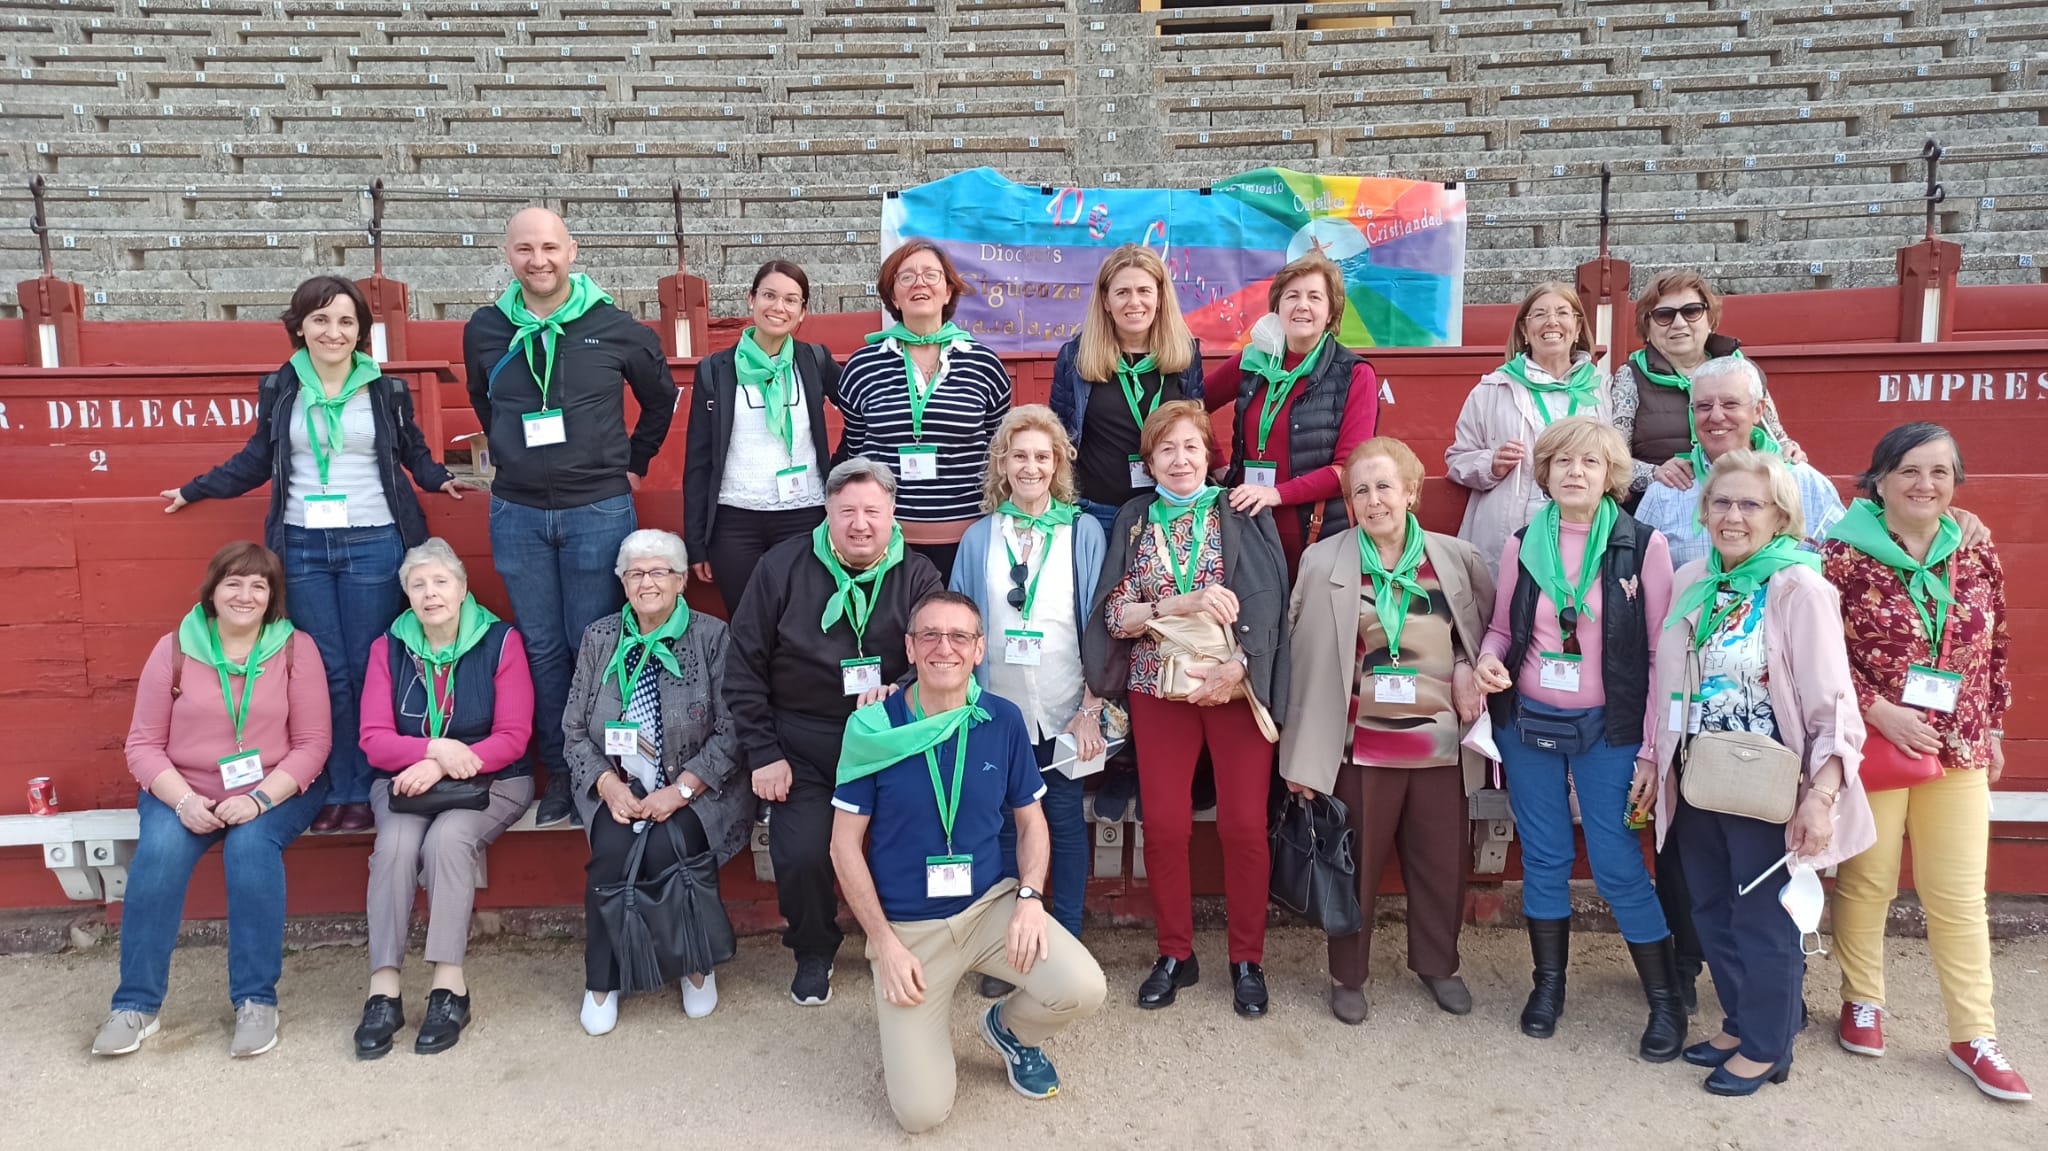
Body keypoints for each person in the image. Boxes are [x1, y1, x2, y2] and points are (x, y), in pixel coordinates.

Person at [162, 275, 465, 834]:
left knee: (368, 663)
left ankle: (372, 784)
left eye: (346, 321)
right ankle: (339, 786)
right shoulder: (281, 387)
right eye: (321, 319)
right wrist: (197, 489)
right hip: (302, 542)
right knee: (324, 670)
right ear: (300, 326)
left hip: (374, 538)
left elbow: (413, 453)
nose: (334, 331)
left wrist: (440, 478)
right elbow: (258, 458)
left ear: (360, 332)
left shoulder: (385, 390)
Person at [829, 591, 1107, 1134]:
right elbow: (843, 847)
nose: (944, 648)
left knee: (1083, 987)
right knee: (922, 1113)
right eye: (930, 635)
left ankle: (1006, 1028)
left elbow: (1032, 823)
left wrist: (1029, 896)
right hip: (911, 930)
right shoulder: (872, 728)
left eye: (960, 637)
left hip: (989, 909)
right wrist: (885, 945)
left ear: (979, 650)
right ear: (910, 648)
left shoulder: (1002, 720)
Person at [1644, 450, 1875, 1096]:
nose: (1734, 515)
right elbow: (1667, 683)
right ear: (1704, 510)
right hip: (1699, 776)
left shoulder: (1799, 587)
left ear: (1780, 515)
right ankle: (1745, 1020)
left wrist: (1821, 795)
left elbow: (1834, 703)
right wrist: (1652, 756)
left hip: (1770, 785)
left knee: (1764, 916)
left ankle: (1769, 1045)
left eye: (1750, 504)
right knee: (1712, 909)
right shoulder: (1696, 577)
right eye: (1722, 502)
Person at [1821, 424, 2031, 1102]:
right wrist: (1876, 708)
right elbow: (1817, 658)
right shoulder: (1841, 558)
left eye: (1941, 472)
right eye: (1911, 470)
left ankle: (1974, 1032)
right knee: (1868, 878)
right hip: (1881, 741)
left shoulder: (1973, 551)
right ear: (1878, 478)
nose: (1926, 484)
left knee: (1959, 892)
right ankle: (1863, 1000)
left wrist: (1992, 722)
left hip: (1960, 742)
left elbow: (1995, 644)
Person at [1470, 417, 1683, 1058]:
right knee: (1543, 856)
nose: (1574, 472)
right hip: (1528, 722)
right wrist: (1486, 658)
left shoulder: (1642, 547)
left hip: (1613, 732)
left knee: (1617, 863)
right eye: (1562, 461)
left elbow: (1659, 654)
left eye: (1589, 463)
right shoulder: (1520, 542)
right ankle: (1549, 985)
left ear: (1610, 474)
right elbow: (1504, 631)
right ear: (1546, 471)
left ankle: (1666, 1002)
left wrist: (1651, 747)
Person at [464, 207, 678, 828]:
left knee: (599, 645)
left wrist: (633, 460)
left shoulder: (614, 327)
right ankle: (560, 771)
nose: (539, 260)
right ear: (508, 254)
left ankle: (603, 773)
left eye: (550, 248)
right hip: (519, 510)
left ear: (572, 251)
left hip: (598, 507)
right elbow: (486, 401)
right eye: (526, 249)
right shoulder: (484, 329)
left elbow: (660, 397)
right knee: (540, 647)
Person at [1084, 400, 1290, 1017]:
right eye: (1166, 449)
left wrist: (1243, 669)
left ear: (1208, 456)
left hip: (1234, 686)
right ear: (1149, 461)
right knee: (1167, 826)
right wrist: (1177, 604)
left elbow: (1275, 603)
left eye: (1191, 448)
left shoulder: (1241, 511)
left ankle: (1247, 957)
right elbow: (1114, 616)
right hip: (1158, 687)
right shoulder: (1133, 520)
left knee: (1244, 826)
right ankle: (1175, 952)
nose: (1179, 459)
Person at [1280, 437, 1494, 1026]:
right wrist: (1300, 758)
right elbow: (1303, 664)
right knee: (1355, 868)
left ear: (1412, 492)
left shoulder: (1457, 559)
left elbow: (1476, 640)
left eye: (1384, 487)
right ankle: (1347, 975)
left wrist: (1464, 671)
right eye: (1361, 490)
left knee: (1440, 863)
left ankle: (1439, 965)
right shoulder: (1324, 561)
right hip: (1358, 748)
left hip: (1438, 746)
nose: (1374, 500)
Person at [92, 542, 330, 1059]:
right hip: (185, 787)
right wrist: (181, 802)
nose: (245, 595)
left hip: (275, 786)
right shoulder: (174, 648)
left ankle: (255, 1000)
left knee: (250, 850)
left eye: (259, 586)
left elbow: (313, 745)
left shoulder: (295, 649)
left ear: (273, 598)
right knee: (157, 859)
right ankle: (135, 1006)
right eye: (233, 583)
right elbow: (143, 746)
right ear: (212, 591)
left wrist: (261, 800)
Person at [726, 458, 946, 1005]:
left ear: (893, 512)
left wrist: (902, 687)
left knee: (921, 838)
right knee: (801, 854)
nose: (860, 523)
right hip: (802, 744)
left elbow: (941, 655)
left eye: (873, 510)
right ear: (826, 511)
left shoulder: (918, 575)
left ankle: (912, 942)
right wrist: (763, 753)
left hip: (891, 744)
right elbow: (743, 669)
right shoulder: (780, 567)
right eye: (847, 511)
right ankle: (813, 948)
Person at [352, 539, 535, 1059]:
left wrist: (441, 763)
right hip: (409, 788)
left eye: (441, 582)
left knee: (449, 841)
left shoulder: (501, 642)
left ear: (462, 589)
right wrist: (432, 750)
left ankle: (448, 985)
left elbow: (513, 736)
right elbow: (373, 737)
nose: (430, 593)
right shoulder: (387, 648)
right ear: (406, 595)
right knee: (393, 848)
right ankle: (383, 989)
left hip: (493, 780)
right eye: (418, 584)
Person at [948, 406, 1109, 995]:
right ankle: (1002, 950)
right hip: (996, 711)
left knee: (1063, 824)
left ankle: (1059, 943)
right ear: (1002, 464)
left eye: (1043, 456)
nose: (1031, 466)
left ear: (1059, 464)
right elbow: (961, 628)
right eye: (1020, 456)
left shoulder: (1084, 532)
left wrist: (1091, 707)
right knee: (997, 827)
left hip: (1066, 707)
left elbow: (1098, 623)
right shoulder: (978, 535)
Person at [562, 530, 745, 1035]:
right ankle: (602, 979)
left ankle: (693, 962)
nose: (647, 582)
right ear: (622, 583)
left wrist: (681, 790)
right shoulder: (600, 638)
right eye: (636, 573)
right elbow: (574, 729)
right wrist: (606, 785)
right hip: (615, 787)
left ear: (682, 581)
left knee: (667, 844)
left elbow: (733, 729)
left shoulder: (712, 637)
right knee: (611, 851)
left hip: (696, 790)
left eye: (659, 571)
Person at [834, 239, 1012, 575]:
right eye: (907, 277)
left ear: (948, 292)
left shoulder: (984, 363)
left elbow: (998, 449)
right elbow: (856, 450)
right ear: (893, 297)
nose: (920, 283)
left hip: (970, 538)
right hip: (886, 540)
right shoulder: (863, 366)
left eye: (931, 275)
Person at [683, 259, 839, 613]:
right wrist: (696, 542)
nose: (778, 307)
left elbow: (860, 410)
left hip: (806, 514)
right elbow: (698, 460)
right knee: (748, 622)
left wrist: (840, 468)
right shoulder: (715, 370)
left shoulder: (814, 361)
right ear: (751, 299)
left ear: (803, 311)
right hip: (734, 522)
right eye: (769, 295)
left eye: (790, 300)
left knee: (803, 620)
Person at [1212, 251, 1379, 575]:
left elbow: (1348, 470)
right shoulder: (1252, 360)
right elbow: (1188, 409)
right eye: (1292, 296)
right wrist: (1217, 464)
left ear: (1331, 312)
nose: (1302, 305)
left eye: (1315, 297)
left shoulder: (1354, 374)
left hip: (1318, 536)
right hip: (1248, 528)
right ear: (1277, 307)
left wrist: (1276, 494)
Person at [1446, 282, 1612, 568]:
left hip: (1583, 528)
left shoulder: (1603, 388)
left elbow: (1618, 463)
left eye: (1563, 312)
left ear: (1577, 326)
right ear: (1524, 330)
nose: (1552, 321)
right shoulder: (1493, 388)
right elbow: (1456, 460)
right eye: (1539, 314)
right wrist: (1491, 464)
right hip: (1509, 532)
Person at [1047, 244, 1207, 535]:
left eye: (1144, 291)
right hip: (1097, 515)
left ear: (1159, 297)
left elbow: (1196, 430)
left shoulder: (1185, 356)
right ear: (1106, 301)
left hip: (1169, 509)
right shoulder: (1076, 358)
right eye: (1122, 292)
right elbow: (1060, 439)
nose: (1134, 302)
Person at [1634, 356, 1845, 570]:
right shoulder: (1665, 493)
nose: (1716, 416)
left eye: (1730, 404)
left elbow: (1841, 569)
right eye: (1704, 406)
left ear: (1758, 411)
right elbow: (1638, 580)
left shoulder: (1805, 482)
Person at [1610, 269, 1798, 497]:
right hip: (1664, 503)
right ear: (1647, 326)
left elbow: (1777, 436)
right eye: (1664, 315)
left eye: (1692, 311)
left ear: (1710, 319)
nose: (1679, 323)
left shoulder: (1740, 370)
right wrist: (1655, 473)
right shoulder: (1630, 376)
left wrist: (1790, 450)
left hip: (1744, 497)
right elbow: (1613, 459)